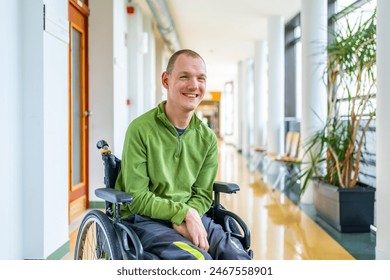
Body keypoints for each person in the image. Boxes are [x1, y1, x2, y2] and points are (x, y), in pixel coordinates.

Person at [115, 49, 251, 260]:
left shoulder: (206, 138)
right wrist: (183, 214)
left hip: (192, 216)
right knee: (198, 261)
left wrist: (191, 216)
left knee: (237, 257)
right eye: (184, 76)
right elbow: (138, 198)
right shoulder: (140, 130)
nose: (194, 86)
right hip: (146, 221)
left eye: (200, 78)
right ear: (166, 80)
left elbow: (202, 194)